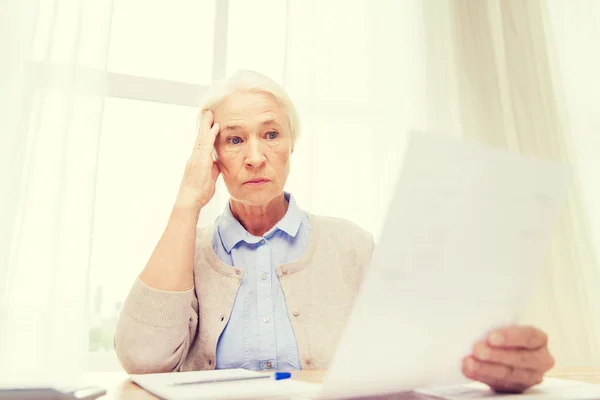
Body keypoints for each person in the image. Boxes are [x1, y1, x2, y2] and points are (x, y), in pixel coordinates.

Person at [114, 70, 555, 393]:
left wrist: (494, 359)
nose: (254, 156)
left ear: (291, 145)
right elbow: (143, 360)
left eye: (270, 134)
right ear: (210, 155)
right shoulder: (186, 250)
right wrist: (187, 199)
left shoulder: (352, 246)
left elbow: (430, 347)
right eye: (233, 140)